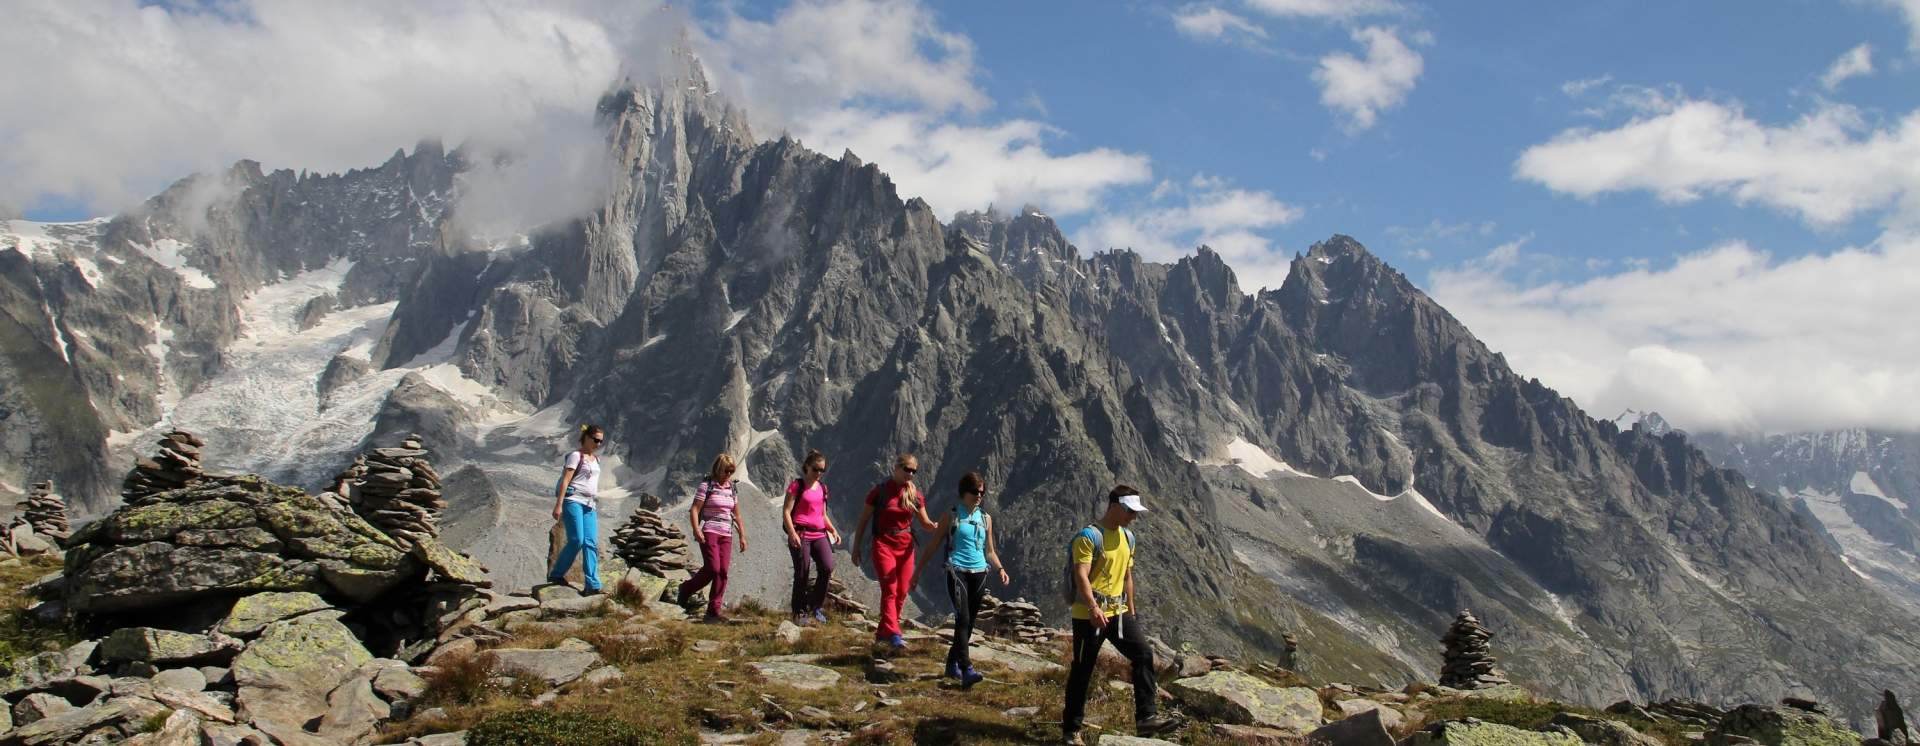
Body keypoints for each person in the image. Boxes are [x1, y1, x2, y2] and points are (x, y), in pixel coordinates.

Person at [1060, 486, 1177, 744]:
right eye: (1129, 511)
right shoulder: (1089, 537)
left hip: (1118, 612)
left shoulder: (1128, 538)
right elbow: (1081, 574)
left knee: (1144, 653)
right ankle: (1071, 730)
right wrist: (1092, 607)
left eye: (1135, 512)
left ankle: (1146, 718)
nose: (1133, 517)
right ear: (1114, 506)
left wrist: (1131, 611)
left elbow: (1127, 576)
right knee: (1082, 669)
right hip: (1089, 615)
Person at [912, 471, 1009, 687]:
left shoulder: (986, 518)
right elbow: (934, 545)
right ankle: (967, 669)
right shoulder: (952, 515)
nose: (979, 496)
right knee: (963, 618)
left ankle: (951, 664)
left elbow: (990, 550)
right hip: (957, 571)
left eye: (982, 493)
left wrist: (1000, 569)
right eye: (974, 492)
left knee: (968, 622)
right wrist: (917, 571)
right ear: (964, 492)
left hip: (980, 572)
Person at [851, 453, 937, 649]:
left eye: (914, 471)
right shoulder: (879, 492)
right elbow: (863, 521)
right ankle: (894, 633)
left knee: (902, 591)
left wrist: (934, 526)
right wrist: (856, 548)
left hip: (906, 546)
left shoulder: (915, 495)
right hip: (883, 544)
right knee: (889, 588)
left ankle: (884, 632)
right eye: (907, 469)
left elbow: (925, 523)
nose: (910, 474)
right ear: (896, 468)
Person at [679, 453, 748, 622]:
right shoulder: (707, 485)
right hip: (710, 531)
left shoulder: (732, 488)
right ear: (718, 469)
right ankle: (686, 589)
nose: (729, 475)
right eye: (726, 471)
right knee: (713, 568)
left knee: (723, 572)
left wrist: (742, 536)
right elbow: (695, 509)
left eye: (731, 471)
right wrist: (696, 529)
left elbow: (737, 515)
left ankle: (713, 611)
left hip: (727, 534)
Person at [783, 450, 842, 625]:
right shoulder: (797, 485)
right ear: (807, 467)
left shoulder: (823, 488)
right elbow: (786, 511)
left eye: (822, 470)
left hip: (819, 533)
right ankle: (799, 612)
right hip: (801, 533)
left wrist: (833, 530)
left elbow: (822, 514)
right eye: (816, 469)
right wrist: (792, 533)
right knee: (802, 572)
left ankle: (815, 606)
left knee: (827, 567)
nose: (818, 473)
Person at [548, 424, 605, 595]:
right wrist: (559, 504)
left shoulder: (596, 460)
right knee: (577, 540)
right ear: (586, 437)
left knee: (591, 543)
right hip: (573, 500)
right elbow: (566, 480)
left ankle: (593, 584)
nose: (599, 444)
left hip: (589, 504)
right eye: (596, 440)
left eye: (601, 441)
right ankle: (557, 574)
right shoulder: (575, 456)